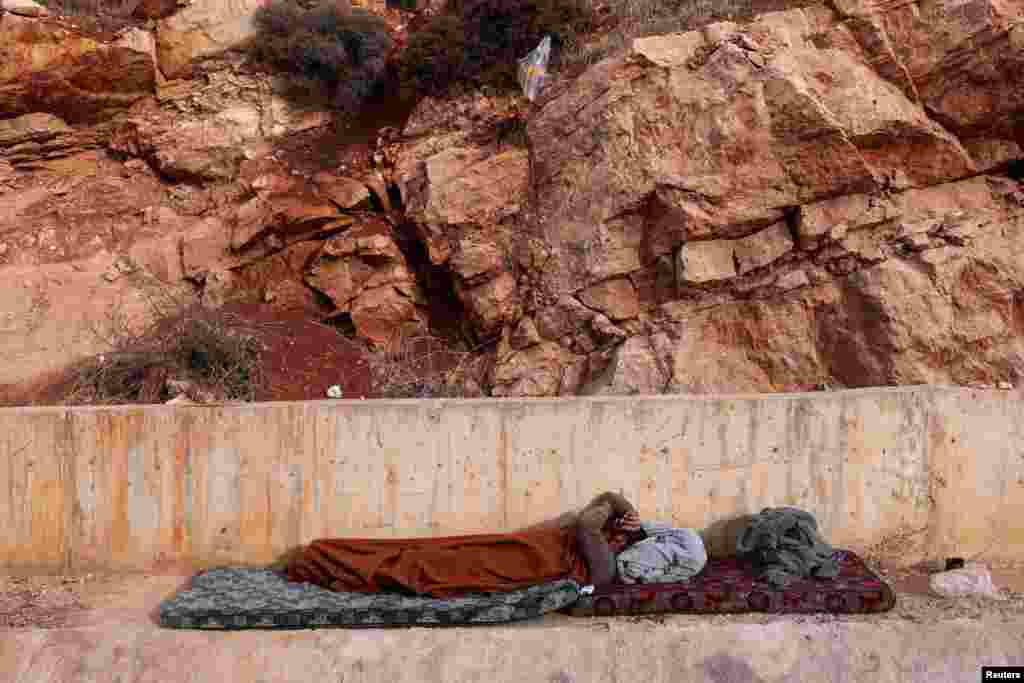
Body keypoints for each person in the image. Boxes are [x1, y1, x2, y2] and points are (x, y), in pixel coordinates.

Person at [283, 492, 707, 597]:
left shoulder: (606, 568)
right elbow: (607, 500)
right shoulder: (619, 539)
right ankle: (327, 556)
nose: (649, 557)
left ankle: (327, 564)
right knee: (424, 550)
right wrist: (630, 517)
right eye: (659, 547)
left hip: (519, 564)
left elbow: (587, 518)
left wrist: (619, 509)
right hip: (521, 546)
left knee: (423, 565)